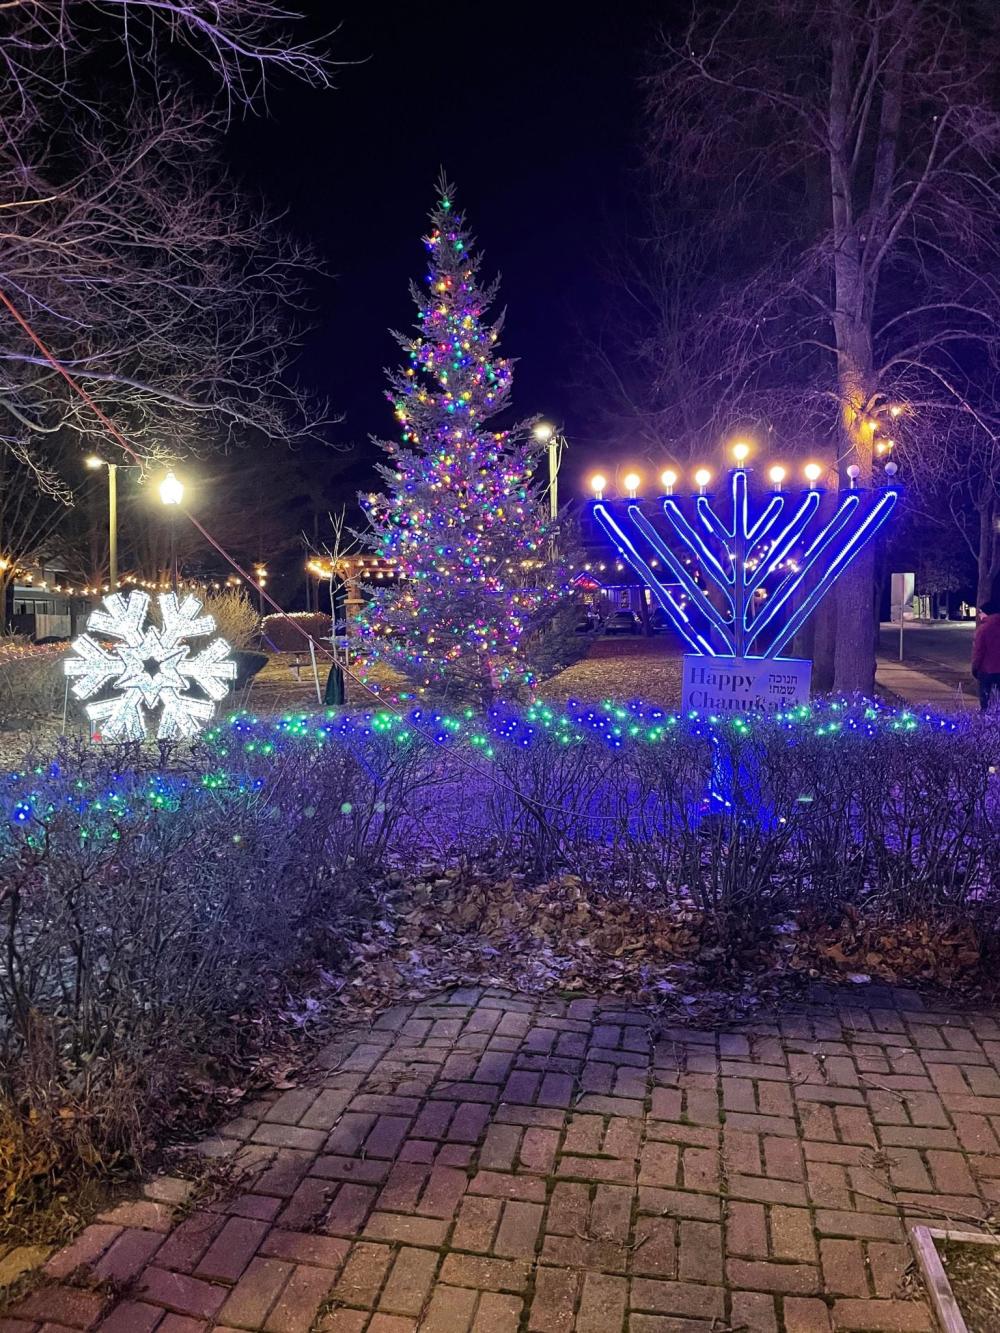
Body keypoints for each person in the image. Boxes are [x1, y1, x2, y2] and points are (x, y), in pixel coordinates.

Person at [972, 598, 1000, 710]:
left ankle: (986, 723)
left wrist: (975, 668)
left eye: (980, 612)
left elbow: (979, 651)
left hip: (987, 671)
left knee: (986, 700)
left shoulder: (984, 628)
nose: (979, 615)